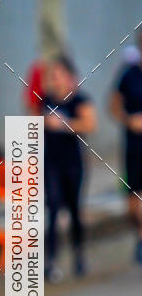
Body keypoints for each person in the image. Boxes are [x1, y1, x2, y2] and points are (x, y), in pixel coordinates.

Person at [42, 54, 97, 281]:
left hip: (73, 163)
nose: (54, 80)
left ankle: (79, 255)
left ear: (69, 76)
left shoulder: (79, 100)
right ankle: (51, 261)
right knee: (53, 207)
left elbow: (90, 124)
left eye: (58, 75)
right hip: (51, 163)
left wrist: (64, 124)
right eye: (52, 76)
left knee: (74, 209)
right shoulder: (46, 99)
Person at [109, 41, 142, 264]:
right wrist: (129, 120)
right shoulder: (129, 75)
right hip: (133, 145)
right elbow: (113, 105)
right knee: (132, 200)